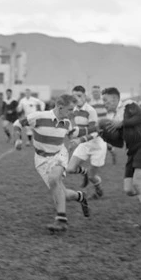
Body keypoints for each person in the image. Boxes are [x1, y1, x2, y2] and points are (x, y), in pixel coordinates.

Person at [12, 94, 89, 233]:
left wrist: (92, 133)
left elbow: (74, 134)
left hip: (59, 155)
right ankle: (80, 196)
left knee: (54, 179)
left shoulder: (67, 122)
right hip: (41, 160)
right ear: (60, 107)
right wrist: (17, 139)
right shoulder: (39, 116)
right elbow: (18, 124)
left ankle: (61, 220)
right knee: (63, 193)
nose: (73, 113)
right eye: (70, 109)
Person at [98, 87, 141, 229]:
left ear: (115, 98)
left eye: (105, 100)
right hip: (132, 151)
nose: (104, 103)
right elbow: (119, 142)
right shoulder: (114, 117)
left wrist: (122, 123)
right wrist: (104, 136)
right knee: (129, 190)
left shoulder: (128, 105)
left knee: (137, 183)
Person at [66, 85, 107, 200]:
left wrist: (79, 140)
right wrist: (71, 137)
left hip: (97, 145)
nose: (76, 99)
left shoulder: (90, 110)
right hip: (84, 144)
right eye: (74, 96)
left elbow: (95, 132)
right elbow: (78, 129)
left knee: (92, 177)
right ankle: (83, 172)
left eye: (79, 96)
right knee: (70, 169)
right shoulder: (75, 110)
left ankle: (98, 190)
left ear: (85, 96)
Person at [89, 85, 117, 165]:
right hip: (94, 126)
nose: (95, 93)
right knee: (92, 141)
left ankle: (112, 153)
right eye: (94, 92)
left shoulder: (105, 101)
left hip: (104, 125)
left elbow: (112, 111)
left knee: (106, 144)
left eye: (97, 91)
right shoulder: (90, 102)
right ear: (92, 93)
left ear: (100, 92)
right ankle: (95, 158)